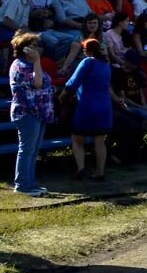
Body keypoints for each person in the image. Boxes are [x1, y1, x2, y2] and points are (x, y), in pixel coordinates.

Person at [7, 32, 56, 196]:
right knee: (26, 149)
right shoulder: (19, 65)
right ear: (25, 48)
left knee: (34, 150)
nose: (39, 49)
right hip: (27, 112)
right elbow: (37, 83)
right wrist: (37, 62)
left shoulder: (33, 64)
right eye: (35, 46)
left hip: (40, 112)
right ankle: (22, 185)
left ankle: (30, 183)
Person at [65, 38, 114, 181]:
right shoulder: (106, 65)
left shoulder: (87, 62)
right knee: (99, 140)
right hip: (104, 107)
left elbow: (73, 83)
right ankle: (100, 172)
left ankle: (81, 167)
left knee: (77, 137)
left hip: (87, 105)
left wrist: (63, 95)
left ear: (87, 50)